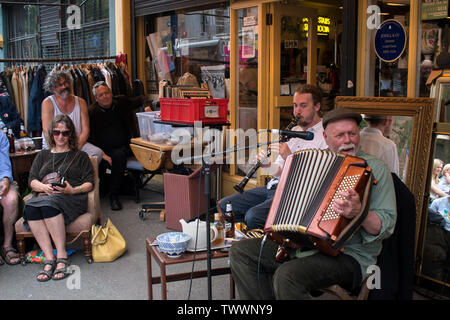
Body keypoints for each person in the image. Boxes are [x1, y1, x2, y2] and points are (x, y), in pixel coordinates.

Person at [229, 108, 397, 300]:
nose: (348, 140)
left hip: (350, 255)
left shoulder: (376, 169)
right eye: (340, 135)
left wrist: (360, 213)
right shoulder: (313, 160)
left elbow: (385, 227)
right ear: (325, 137)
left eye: (352, 133)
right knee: (241, 252)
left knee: (287, 276)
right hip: (301, 245)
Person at [218, 84, 328, 229]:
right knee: (225, 205)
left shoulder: (325, 136)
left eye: (303, 106)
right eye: (295, 106)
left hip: (294, 194)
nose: (297, 111)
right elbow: (279, 171)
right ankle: (244, 240)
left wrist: (290, 157)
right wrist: (267, 165)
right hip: (274, 187)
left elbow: (311, 180)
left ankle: (261, 245)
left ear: (317, 106)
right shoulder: (294, 130)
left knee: (253, 216)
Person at [24, 114, 94, 281]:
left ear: (71, 134)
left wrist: (72, 190)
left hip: (71, 198)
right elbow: (31, 180)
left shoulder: (80, 156)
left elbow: (89, 183)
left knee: (49, 204)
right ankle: (49, 257)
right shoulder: (42, 155)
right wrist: (43, 187)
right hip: (46, 195)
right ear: (51, 134)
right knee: (31, 207)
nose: (61, 136)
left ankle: (62, 256)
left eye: (65, 133)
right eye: (56, 132)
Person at [88, 81, 146, 210]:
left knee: (119, 155)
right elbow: (90, 136)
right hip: (104, 150)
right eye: (101, 95)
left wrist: (147, 107)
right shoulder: (91, 112)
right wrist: (101, 153)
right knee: (116, 157)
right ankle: (113, 195)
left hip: (126, 146)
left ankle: (113, 194)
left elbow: (140, 99)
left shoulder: (120, 102)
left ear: (111, 93)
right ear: (96, 98)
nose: (105, 96)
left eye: (107, 93)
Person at [41, 70, 103, 165]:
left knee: (97, 153)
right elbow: (47, 131)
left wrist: (74, 149)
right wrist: (61, 149)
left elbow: (85, 130)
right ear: (53, 89)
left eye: (65, 82)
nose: (64, 86)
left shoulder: (81, 102)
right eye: (60, 85)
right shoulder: (48, 103)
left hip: (77, 144)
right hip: (55, 145)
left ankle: (82, 177)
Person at [0, 130, 20, 265]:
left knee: (11, 199)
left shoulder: (1, 136)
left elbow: (4, 164)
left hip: (0, 179)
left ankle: (7, 245)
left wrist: (5, 179)